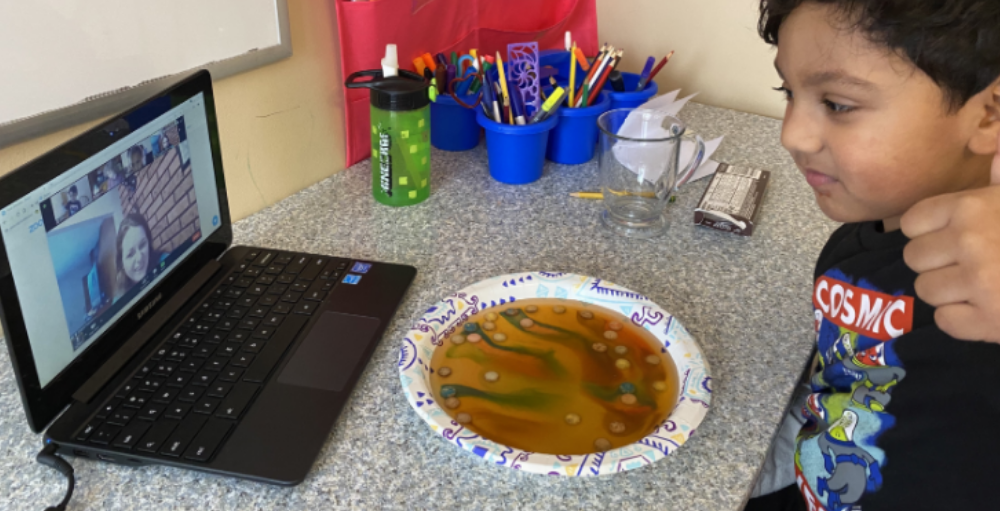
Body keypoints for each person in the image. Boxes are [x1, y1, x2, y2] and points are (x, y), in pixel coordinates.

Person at [743, 1, 1000, 510]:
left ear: (989, 114)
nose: (791, 134)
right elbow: (840, 387)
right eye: (789, 92)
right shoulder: (857, 237)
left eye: (838, 104)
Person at [114, 214, 159, 299]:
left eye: (142, 245)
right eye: (130, 254)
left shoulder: (165, 261)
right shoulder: (119, 300)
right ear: (122, 263)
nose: (139, 258)